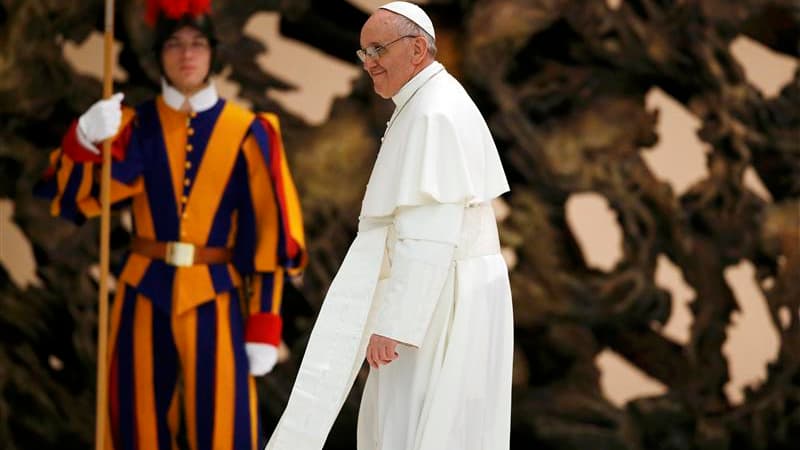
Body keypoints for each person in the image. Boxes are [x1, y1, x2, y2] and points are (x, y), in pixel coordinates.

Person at [36, 1, 307, 449]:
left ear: (213, 53)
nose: (187, 55)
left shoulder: (248, 131)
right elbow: (80, 198)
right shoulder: (134, 127)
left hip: (216, 293)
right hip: (143, 290)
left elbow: (269, 232)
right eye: (175, 44)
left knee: (223, 426)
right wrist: (84, 139)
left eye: (197, 44)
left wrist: (264, 320)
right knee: (136, 421)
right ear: (158, 54)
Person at [265, 2, 513, 450]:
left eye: (378, 49)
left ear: (418, 49)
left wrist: (397, 324)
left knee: (414, 428)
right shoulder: (425, 101)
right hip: (437, 294)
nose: (369, 63)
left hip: (437, 304)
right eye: (364, 53)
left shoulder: (433, 112)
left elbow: (431, 229)